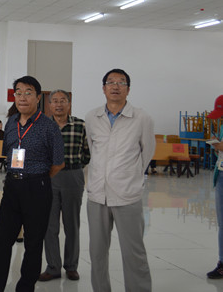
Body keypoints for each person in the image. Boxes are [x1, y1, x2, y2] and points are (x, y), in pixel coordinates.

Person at [0, 76, 65, 292]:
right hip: (12, 187)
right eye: (18, 93)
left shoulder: (49, 127)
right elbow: (7, 153)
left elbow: (58, 162)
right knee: (2, 240)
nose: (22, 97)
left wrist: (38, 178)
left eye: (28, 93)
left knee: (33, 243)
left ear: (38, 98)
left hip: (37, 188)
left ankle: (25, 287)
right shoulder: (11, 122)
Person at [85, 68, 155, 292]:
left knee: (134, 253)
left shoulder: (141, 118)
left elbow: (147, 153)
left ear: (128, 89)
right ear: (103, 88)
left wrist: (129, 176)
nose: (115, 86)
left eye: (121, 82)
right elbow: (93, 150)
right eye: (111, 82)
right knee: (97, 253)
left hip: (127, 195)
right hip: (97, 195)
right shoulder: (92, 117)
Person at [39, 90, 90, 282]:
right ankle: (53, 267)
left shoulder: (80, 125)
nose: (59, 104)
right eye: (55, 101)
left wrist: (74, 167)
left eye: (63, 101)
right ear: (49, 105)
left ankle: (71, 266)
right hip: (48, 178)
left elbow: (87, 153)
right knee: (49, 226)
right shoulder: (42, 125)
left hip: (72, 177)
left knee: (72, 225)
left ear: (69, 104)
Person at [207, 95, 223, 279]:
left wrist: (220, 145)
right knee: (222, 223)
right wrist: (216, 144)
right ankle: (222, 263)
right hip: (221, 176)